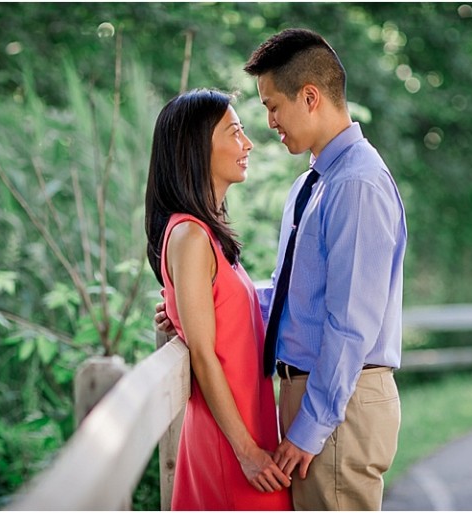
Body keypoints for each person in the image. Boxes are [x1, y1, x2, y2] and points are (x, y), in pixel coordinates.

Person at [156, 29, 407, 511]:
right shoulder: (312, 185)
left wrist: (311, 428)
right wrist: (202, 309)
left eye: (272, 106)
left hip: (338, 406)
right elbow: (297, 296)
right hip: (311, 397)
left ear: (309, 97)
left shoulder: (356, 185)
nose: (267, 123)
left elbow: (350, 324)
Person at [145, 88, 293, 511]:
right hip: (231, 445)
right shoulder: (190, 236)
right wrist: (246, 452)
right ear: (197, 147)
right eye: (235, 132)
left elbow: (225, 322)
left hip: (250, 427)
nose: (247, 144)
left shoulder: (206, 235)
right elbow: (205, 358)